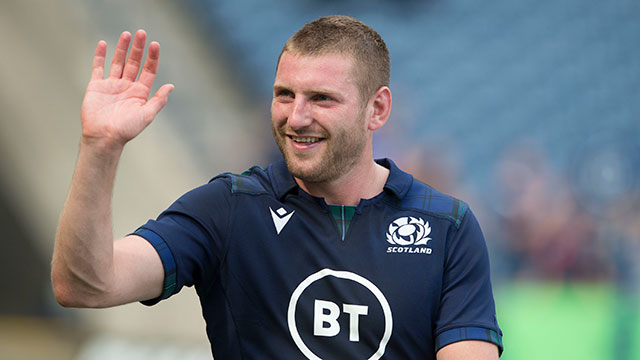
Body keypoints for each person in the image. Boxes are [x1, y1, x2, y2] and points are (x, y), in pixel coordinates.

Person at [52, 15, 503, 359]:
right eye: (285, 94)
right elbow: (86, 286)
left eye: (321, 98)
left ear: (377, 110)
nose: (296, 117)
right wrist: (101, 147)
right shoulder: (227, 209)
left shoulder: (447, 227)